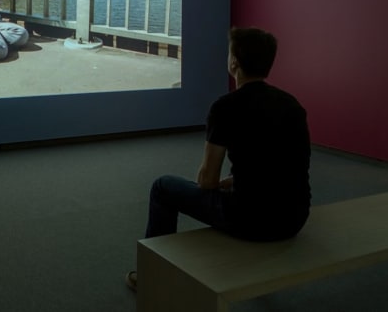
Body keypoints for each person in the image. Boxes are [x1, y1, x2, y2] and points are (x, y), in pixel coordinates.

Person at [125, 27, 311, 291]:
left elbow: (207, 180)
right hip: (294, 218)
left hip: (250, 221)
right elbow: (291, 164)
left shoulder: (225, 107)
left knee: (162, 187)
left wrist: (225, 183)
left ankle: (152, 277)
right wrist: (237, 180)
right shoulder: (291, 104)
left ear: (234, 62)